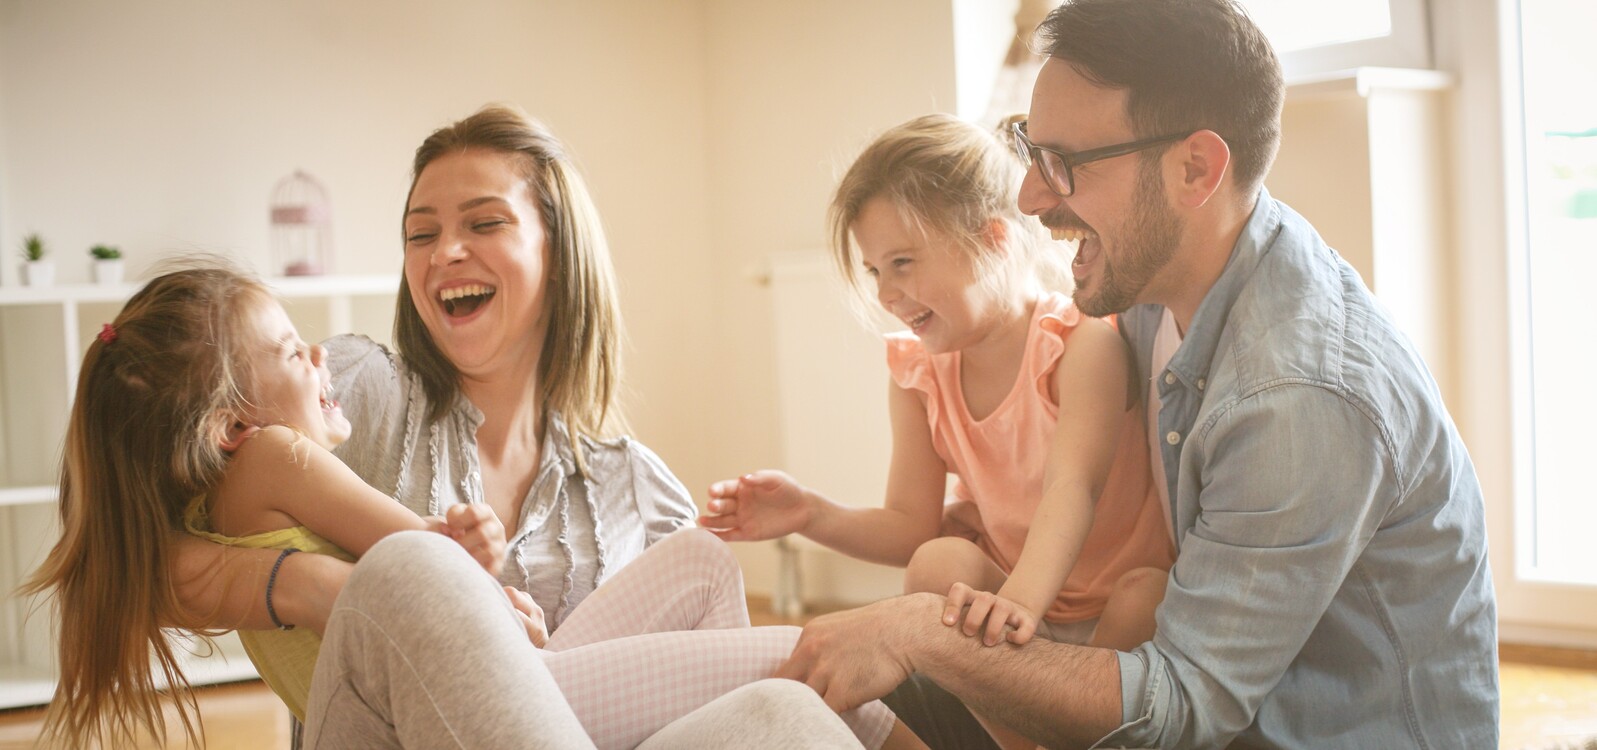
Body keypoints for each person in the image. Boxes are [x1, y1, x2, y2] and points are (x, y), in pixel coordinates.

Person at [772, 1, 1499, 748]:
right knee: (815, 711)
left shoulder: (1295, 398)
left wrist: (924, 633)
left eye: (1065, 164)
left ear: (1194, 169)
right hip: (1215, 702)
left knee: (900, 670)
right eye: (1029, 147)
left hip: (1287, 731)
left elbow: (1182, 707)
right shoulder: (1157, 285)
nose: (1027, 197)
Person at [84, 105, 908, 748]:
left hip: (572, 716)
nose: (444, 252)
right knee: (800, 670)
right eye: (420, 234)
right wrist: (306, 588)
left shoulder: (634, 483)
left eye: (484, 223)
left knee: (745, 651)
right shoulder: (352, 391)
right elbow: (132, 543)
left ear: (560, 249)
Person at [702, 113, 1173, 663]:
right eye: (876, 271)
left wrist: (1020, 601)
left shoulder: (1080, 344)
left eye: (901, 263)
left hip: (1113, 611)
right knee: (935, 562)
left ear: (992, 241)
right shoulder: (919, 375)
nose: (886, 294)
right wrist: (809, 513)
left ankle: (1086, 728)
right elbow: (909, 526)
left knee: (1150, 593)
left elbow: (1072, 489)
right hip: (1019, 608)